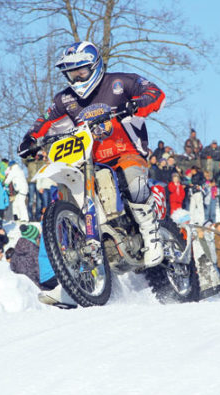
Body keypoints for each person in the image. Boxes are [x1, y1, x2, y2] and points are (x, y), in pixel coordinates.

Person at [18, 41, 166, 267]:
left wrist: (136, 104)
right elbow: (45, 120)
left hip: (125, 151)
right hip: (89, 159)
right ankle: (77, 255)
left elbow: (155, 92)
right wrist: (30, 138)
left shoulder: (120, 82)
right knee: (67, 191)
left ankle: (150, 232)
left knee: (132, 178)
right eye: (71, 74)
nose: (77, 79)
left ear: (95, 66)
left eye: (81, 72)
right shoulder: (64, 99)